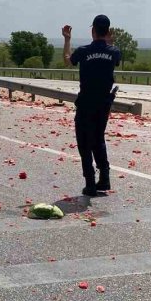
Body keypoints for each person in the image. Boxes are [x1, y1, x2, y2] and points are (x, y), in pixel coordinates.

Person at [62, 15, 121, 197]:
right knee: (98, 139)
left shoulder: (83, 51)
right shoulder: (114, 52)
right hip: (104, 104)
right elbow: (112, 55)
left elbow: (67, 60)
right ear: (108, 31)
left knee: (84, 143)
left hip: (86, 103)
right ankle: (104, 178)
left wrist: (67, 39)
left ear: (92, 31)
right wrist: (108, 42)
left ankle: (90, 183)